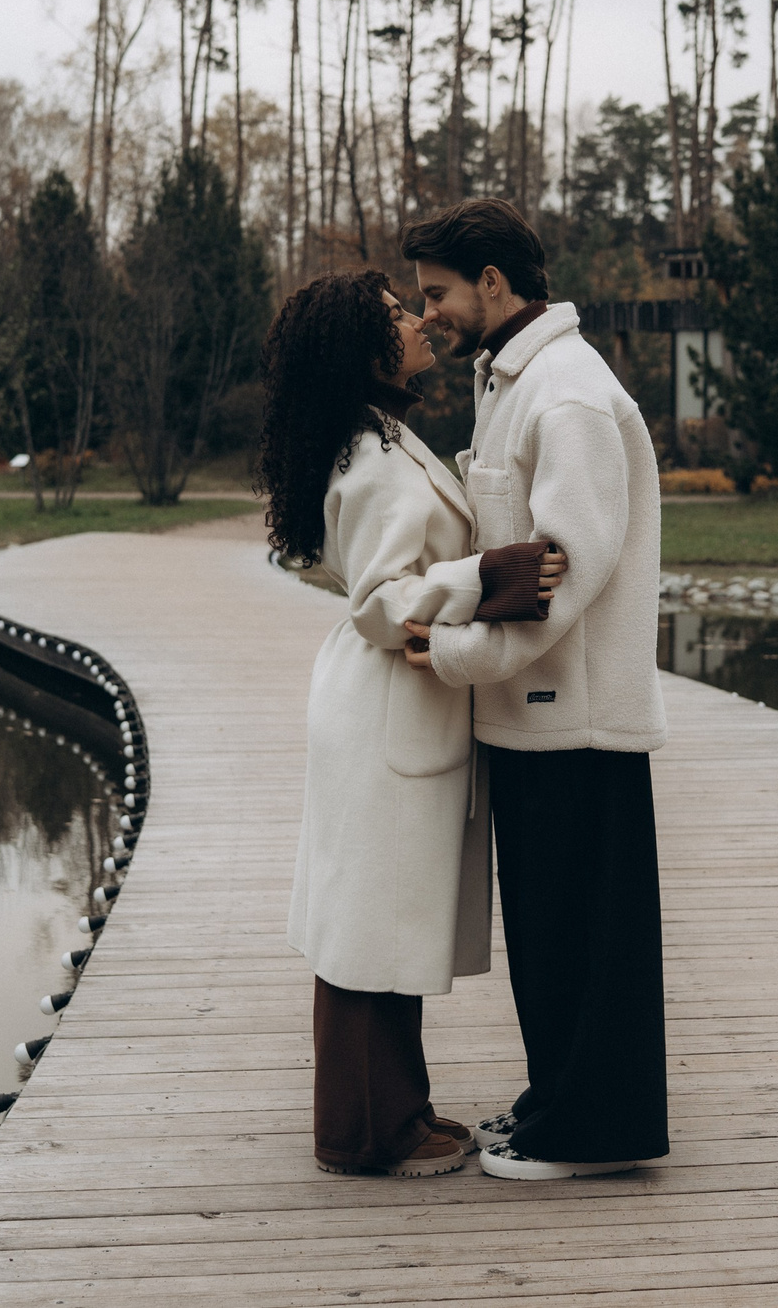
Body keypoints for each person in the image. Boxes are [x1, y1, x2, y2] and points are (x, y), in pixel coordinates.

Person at [258, 269, 566, 1178]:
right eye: (397, 315)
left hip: (387, 708)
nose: (419, 319)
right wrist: (496, 578)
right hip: (386, 707)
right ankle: (365, 1133)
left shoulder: (381, 439)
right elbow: (382, 600)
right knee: (367, 927)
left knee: (376, 920)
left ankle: (396, 1111)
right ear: (364, 347)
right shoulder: (374, 456)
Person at [399, 198, 671, 1181]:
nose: (426, 313)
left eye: (437, 294)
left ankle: (594, 1131)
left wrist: (457, 656)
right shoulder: (513, 379)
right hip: (534, 714)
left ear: (494, 284)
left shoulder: (563, 392)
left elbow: (563, 567)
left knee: (586, 940)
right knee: (552, 938)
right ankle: (559, 1101)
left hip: (576, 716)